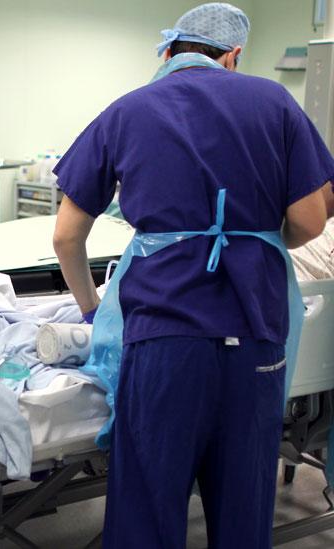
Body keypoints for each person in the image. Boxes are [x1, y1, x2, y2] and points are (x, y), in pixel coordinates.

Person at [51, 3, 334, 548]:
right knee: (244, 506)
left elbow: (65, 236)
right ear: (234, 56)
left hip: (164, 337)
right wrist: (264, 242)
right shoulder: (274, 102)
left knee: (148, 508)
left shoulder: (128, 110)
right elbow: (308, 219)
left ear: (169, 52)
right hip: (256, 335)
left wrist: (91, 309)